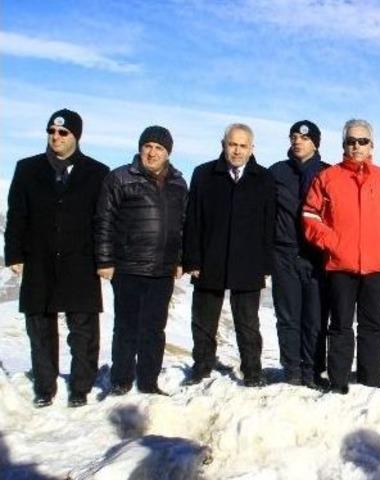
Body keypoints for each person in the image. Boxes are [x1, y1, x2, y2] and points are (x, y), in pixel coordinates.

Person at [5, 109, 109, 408]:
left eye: (63, 132)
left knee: (84, 329)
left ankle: (81, 386)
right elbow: (17, 215)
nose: (56, 137)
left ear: (76, 135)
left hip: (81, 260)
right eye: (51, 131)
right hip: (38, 258)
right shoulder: (27, 169)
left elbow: (103, 220)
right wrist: (14, 254)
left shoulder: (97, 172)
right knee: (39, 326)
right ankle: (44, 386)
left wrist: (104, 258)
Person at [302, 118, 380, 394]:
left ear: (372, 145)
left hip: (375, 265)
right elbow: (310, 216)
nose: (357, 146)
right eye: (351, 141)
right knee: (340, 326)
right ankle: (338, 385)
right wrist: (333, 242)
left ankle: (369, 385)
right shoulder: (328, 178)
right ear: (344, 145)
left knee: (372, 326)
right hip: (340, 265)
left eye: (362, 141)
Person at [95, 125, 187, 396]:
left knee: (155, 328)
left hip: (162, 268)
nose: (152, 152)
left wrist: (180, 259)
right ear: (139, 148)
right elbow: (104, 221)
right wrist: (104, 260)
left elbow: (183, 225)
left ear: (168, 152)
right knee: (126, 326)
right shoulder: (120, 178)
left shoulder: (178, 183)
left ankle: (149, 381)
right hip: (128, 265)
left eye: (159, 148)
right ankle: (121, 381)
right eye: (148, 146)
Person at [182, 123, 274, 388]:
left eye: (243, 146)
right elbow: (193, 219)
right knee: (203, 322)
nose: (237, 150)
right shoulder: (203, 174)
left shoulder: (263, 178)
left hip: (248, 262)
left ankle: (253, 372)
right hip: (210, 258)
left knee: (248, 323)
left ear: (251, 149)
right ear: (223, 144)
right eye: (232, 144)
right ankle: (201, 369)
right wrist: (193, 259)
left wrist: (266, 263)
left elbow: (269, 223)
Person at [269, 120, 330, 389]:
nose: (297, 141)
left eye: (304, 138)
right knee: (288, 315)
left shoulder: (329, 173)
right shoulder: (276, 173)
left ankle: (313, 369)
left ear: (315, 143)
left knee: (315, 317)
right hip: (284, 251)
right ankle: (292, 369)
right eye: (294, 137)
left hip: (317, 256)